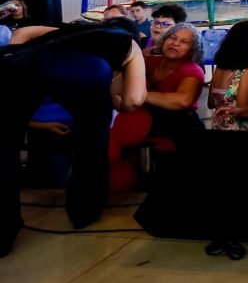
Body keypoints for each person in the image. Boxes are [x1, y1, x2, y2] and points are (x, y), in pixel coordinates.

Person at [1, 19, 146, 256]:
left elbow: (25, 31)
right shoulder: (130, 43)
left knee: (5, 150)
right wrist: (117, 98)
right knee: (93, 139)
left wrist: (22, 60)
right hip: (86, 71)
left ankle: (2, 237)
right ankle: (84, 211)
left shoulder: (79, 30)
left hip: (16, 62)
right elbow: (133, 100)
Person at [142, 22, 206, 142]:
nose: (175, 43)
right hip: (148, 128)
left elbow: (182, 100)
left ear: (191, 51)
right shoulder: (149, 62)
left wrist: (139, 95)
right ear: (164, 40)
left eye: (184, 42)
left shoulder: (193, 71)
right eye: (172, 37)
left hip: (183, 132)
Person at [209, 20, 248, 131]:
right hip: (238, 129)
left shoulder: (219, 68)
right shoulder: (246, 71)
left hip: (218, 126)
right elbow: (242, 110)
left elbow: (211, 103)